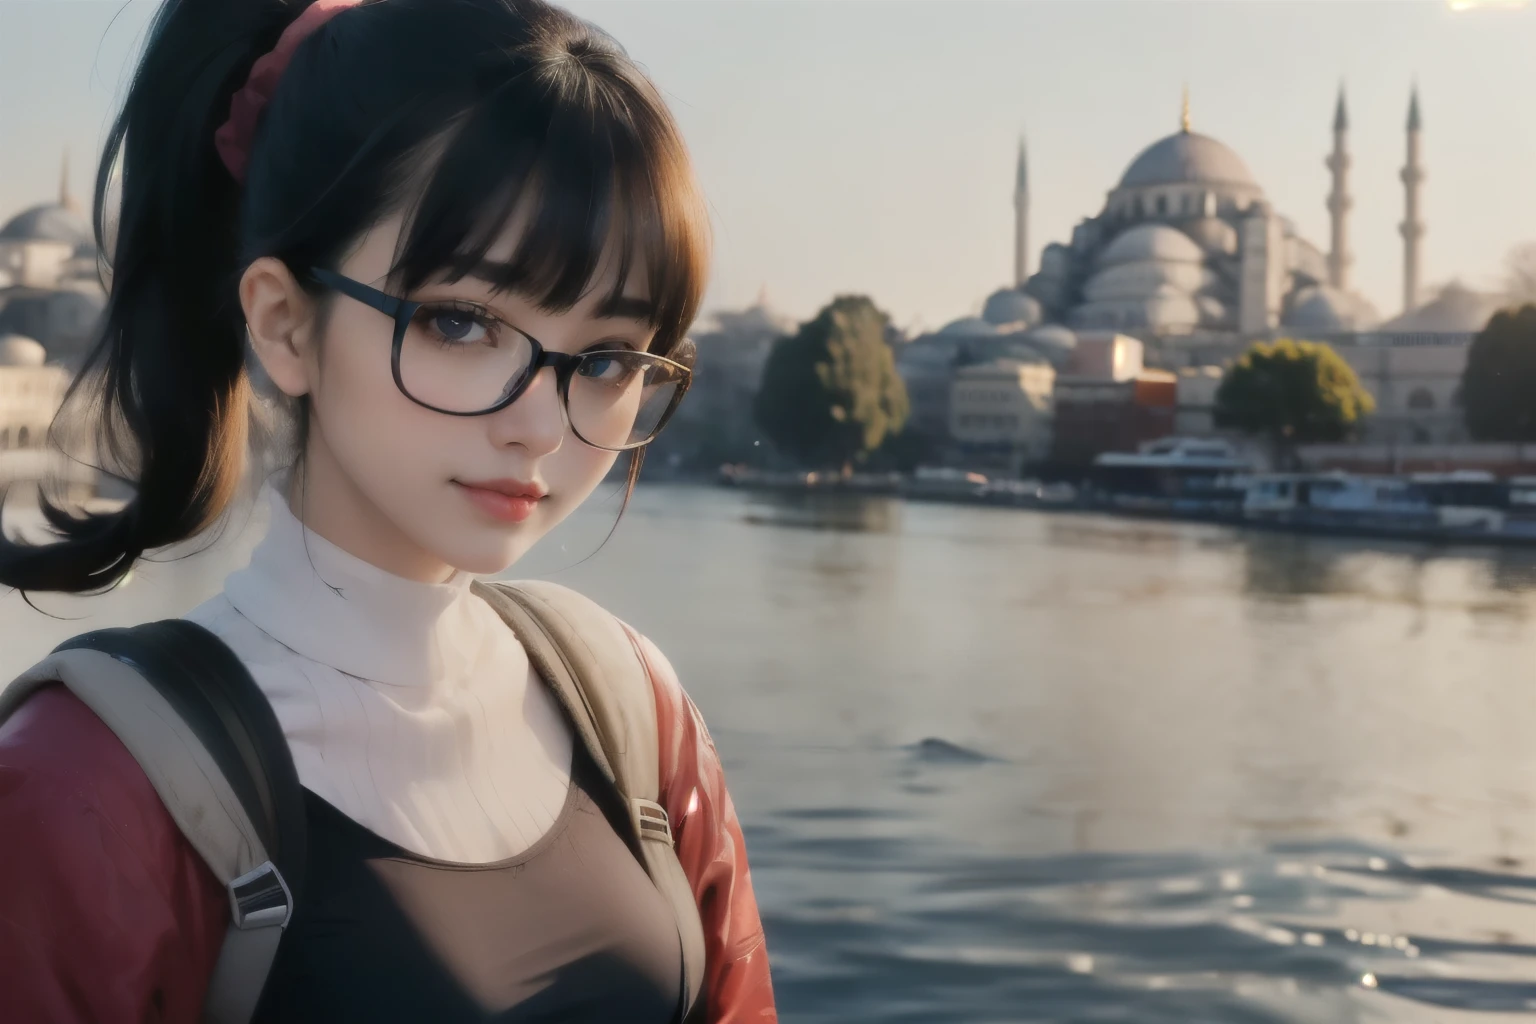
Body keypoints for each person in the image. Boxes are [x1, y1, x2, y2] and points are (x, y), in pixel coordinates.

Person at [0, 0, 776, 1021]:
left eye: (606, 357)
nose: (541, 424)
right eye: (463, 323)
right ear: (283, 324)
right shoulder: (87, 783)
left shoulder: (639, 713)